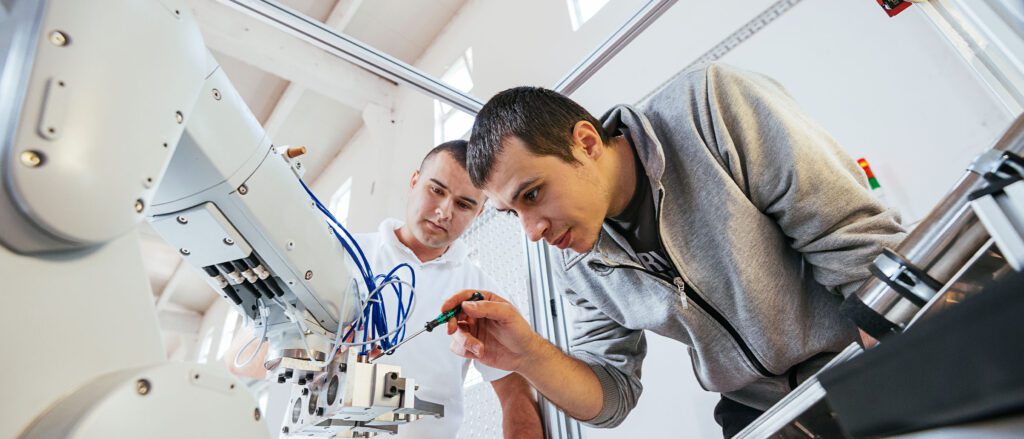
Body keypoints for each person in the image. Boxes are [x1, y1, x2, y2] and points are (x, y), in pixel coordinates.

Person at [440, 63, 907, 437]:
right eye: (511, 212)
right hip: (759, 412)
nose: (532, 231)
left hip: (863, 358)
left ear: (585, 143)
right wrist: (527, 356)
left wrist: (895, 383)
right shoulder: (576, 262)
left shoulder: (710, 107)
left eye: (533, 194)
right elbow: (612, 393)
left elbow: (850, 239)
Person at [232, 140, 542, 439]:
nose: (444, 211)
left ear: (479, 212)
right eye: (436, 190)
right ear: (414, 180)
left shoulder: (481, 295)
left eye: (463, 204)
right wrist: (319, 354)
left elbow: (515, 394)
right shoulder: (338, 255)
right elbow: (242, 357)